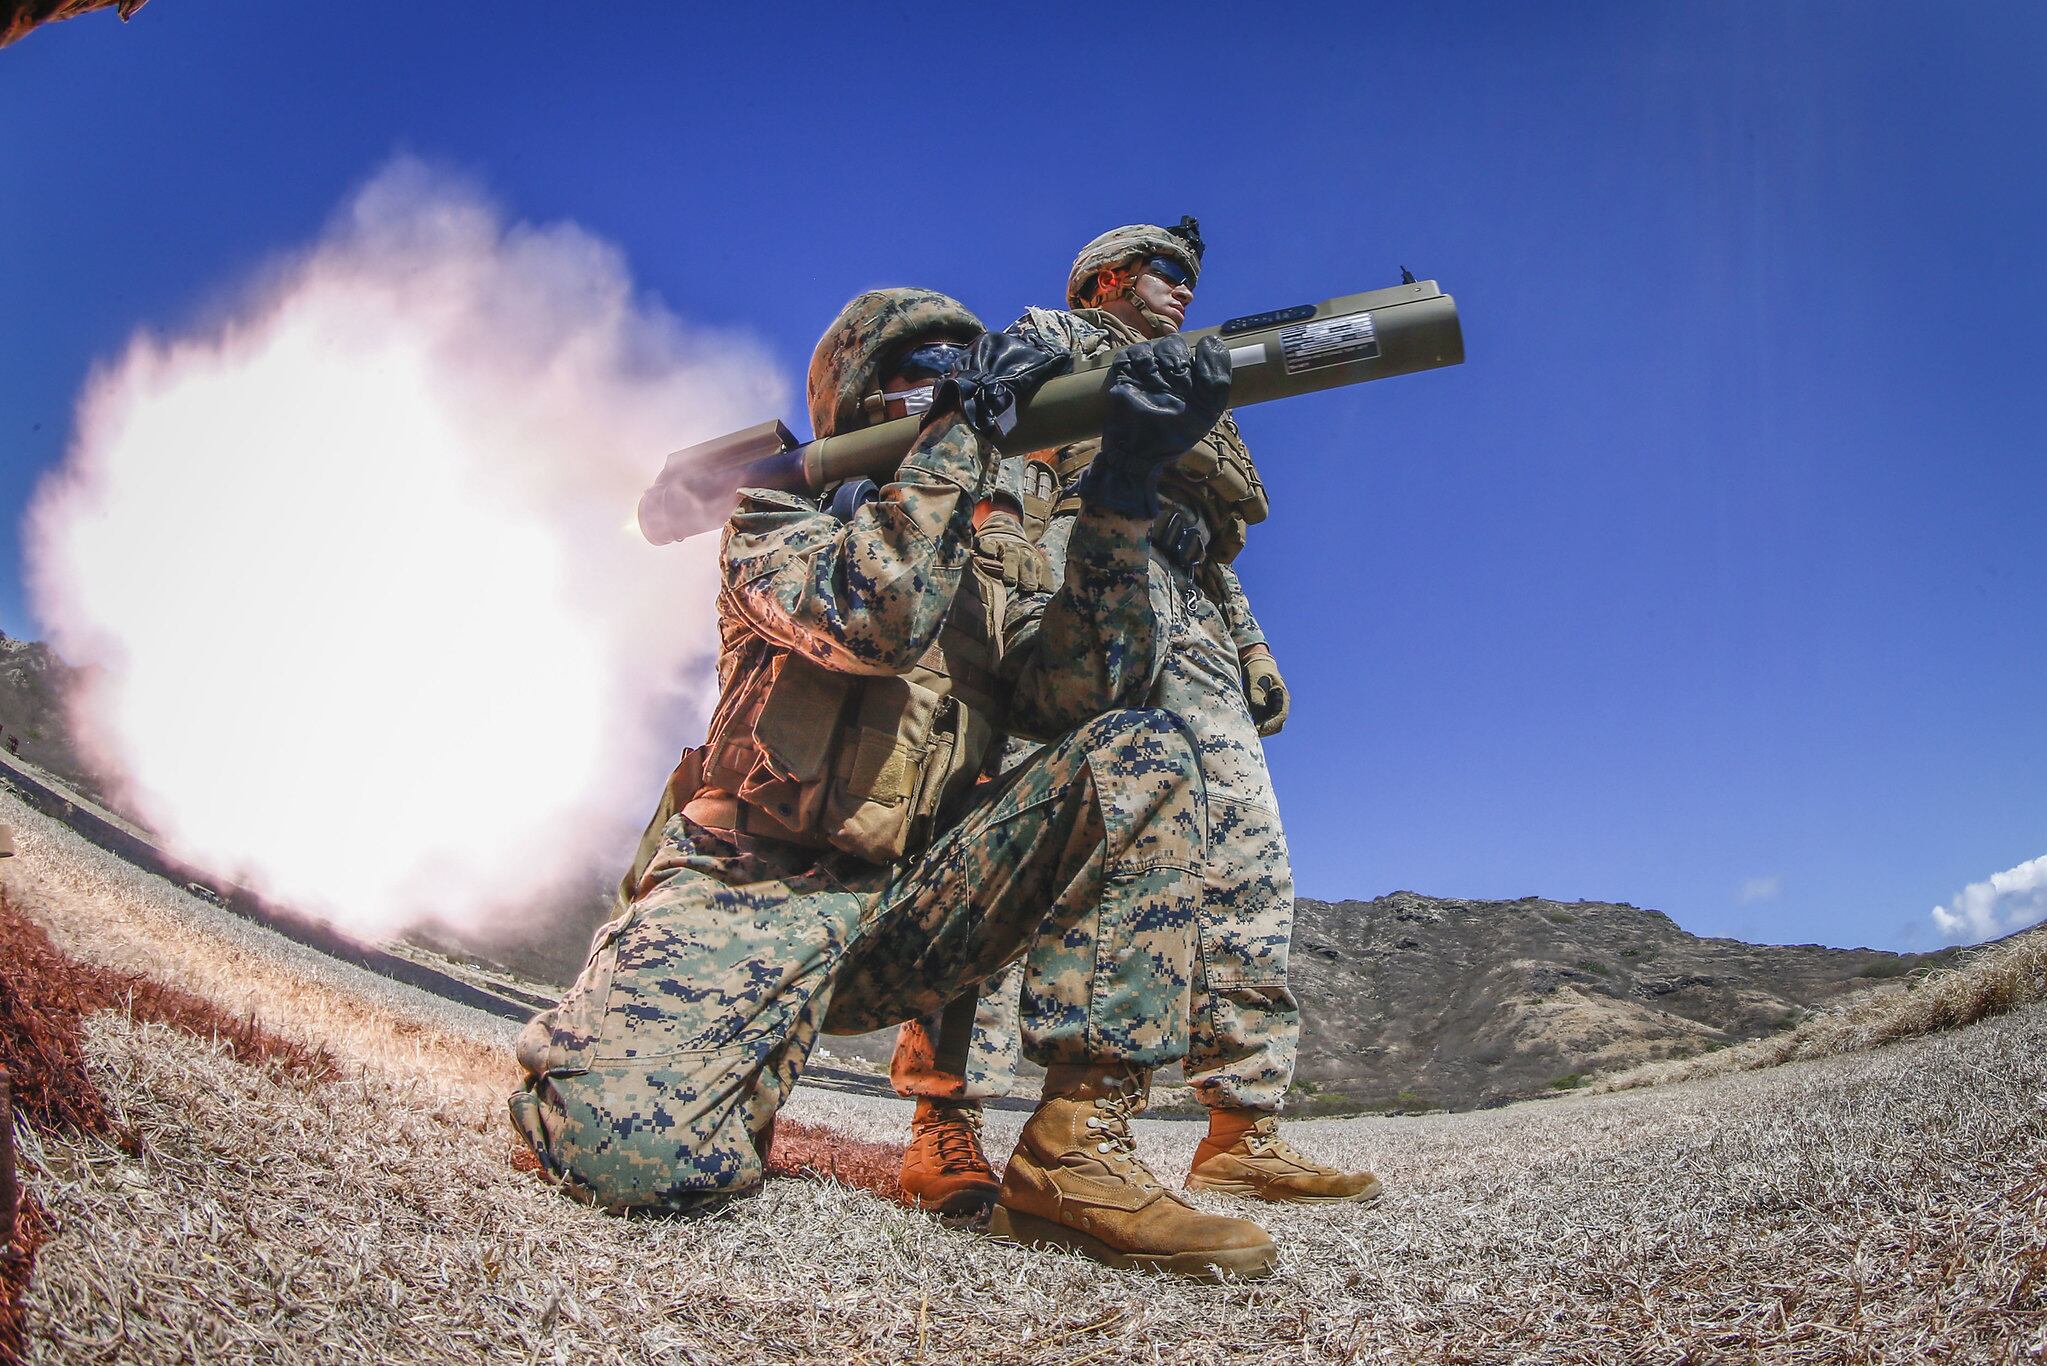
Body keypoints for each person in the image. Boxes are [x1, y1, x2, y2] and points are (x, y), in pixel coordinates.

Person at [511, 287, 1279, 1280]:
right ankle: (608, 1047)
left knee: (1143, 752)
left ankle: (1077, 1153)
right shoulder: (776, 511)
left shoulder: (990, 555)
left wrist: (1124, 488)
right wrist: (964, 431)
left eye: (965, 368)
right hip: (749, 890)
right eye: (920, 373)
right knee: (632, 1158)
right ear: (860, 398)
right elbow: (878, 612)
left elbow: (1088, 690)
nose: (949, 387)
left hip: (905, 914)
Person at [892, 222, 1383, 1216]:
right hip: (1073, 595)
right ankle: (942, 1120)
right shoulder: (1052, 336)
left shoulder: (1192, 378)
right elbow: (1000, 459)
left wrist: (1249, 645)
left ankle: (1242, 1126)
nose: (1185, 292)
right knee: (1011, 850)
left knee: (1247, 857)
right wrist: (996, 582)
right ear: (1110, 277)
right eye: (1169, 273)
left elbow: (1208, 545)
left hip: (1188, 610)